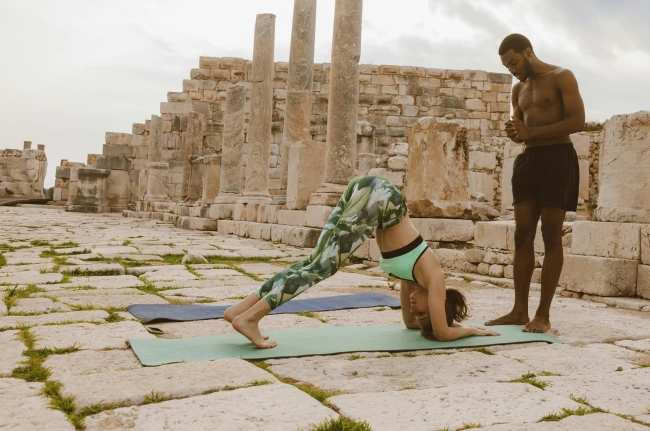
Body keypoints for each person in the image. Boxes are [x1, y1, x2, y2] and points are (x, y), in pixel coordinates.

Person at [224, 175, 500, 348]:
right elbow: (442, 334)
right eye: (425, 311)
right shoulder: (435, 278)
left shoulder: (411, 283)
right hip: (382, 199)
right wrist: (468, 330)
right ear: (439, 302)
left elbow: (409, 324)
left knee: (313, 262)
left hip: (369, 190)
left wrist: (422, 321)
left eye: (419, 314)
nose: (415, 311)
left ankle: (241, 309)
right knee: (323, 268)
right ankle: (251, 318)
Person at [486, 33, 585, 334]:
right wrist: (515, 132)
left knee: (551, 233)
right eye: (506, 66)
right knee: (522, 235)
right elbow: (521, 127)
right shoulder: (518, 89)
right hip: (529, 161)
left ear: (528, 53)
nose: (512, 70)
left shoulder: (562, 76)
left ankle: (543, 315)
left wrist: (532, 134)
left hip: (558, 158)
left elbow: (578, 121)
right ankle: (519, 311)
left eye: (514, 62)